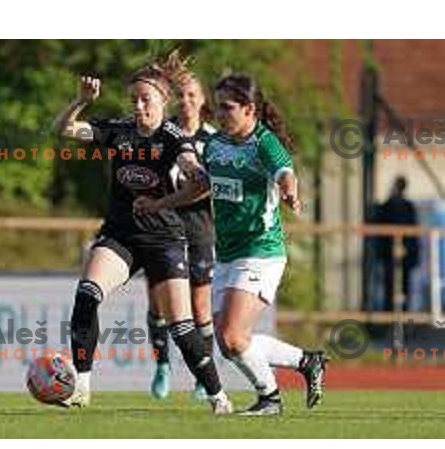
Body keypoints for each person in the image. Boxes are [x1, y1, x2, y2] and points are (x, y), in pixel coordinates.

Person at [137, 72, 327, 416]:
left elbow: (286, 172)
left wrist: (290, 193)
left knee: (232, 337)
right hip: (226, 254)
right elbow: (201, 188)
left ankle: (270, 398)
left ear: (250, 109)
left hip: (261, 252)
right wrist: (158, 204)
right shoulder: (215, 144)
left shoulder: (264, 142)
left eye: (227, 107)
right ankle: (306, 360)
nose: (220, 113)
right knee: (232, 343)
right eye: (218, 106)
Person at [52, 65, 232, 415]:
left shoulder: (173, 137)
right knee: (87, 295)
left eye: (144, 99)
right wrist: (80, 101)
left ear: (163, 100)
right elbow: (62, 129)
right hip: (120, 235)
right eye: (132, 99)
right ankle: (82, 386)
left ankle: (217, 395)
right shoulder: (118, 130)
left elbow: (199, 179)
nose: (137, 106)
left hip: (164, 238)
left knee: (182, 327)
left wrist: (187, 178)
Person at [147, 55, 216, 400]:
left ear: (203, 100)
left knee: (200, 308)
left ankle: (204, 376)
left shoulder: (214, 140)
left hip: (201, 230)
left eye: (193, 95)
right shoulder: (164, 133)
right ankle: (162, 365)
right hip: (162, 227)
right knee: (160, 306)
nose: (187, 102)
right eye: (182, 96)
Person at [375, 176, 419, 311]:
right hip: (394, 254)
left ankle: (395, 315)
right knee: (395, 286)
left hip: (398, 254)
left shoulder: (393, 206)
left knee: (395, 286)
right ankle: (394, 316)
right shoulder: (399, 206)